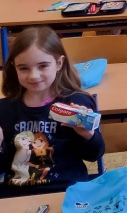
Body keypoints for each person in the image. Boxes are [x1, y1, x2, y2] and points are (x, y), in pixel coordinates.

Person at [0, 27, 104, 197]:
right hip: (17, 195)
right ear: (14, 67)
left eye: (43, 66)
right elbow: (3, 167)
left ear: (59, 63)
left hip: (67, 191)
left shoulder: (76, 103)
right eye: (23, 68)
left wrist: (87, 135)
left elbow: (94, 154)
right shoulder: (5, 109)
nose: (34, 76)